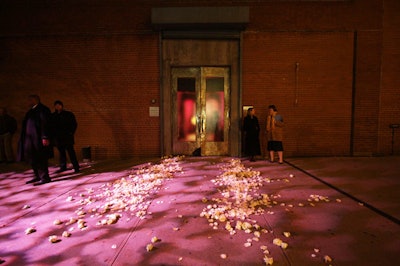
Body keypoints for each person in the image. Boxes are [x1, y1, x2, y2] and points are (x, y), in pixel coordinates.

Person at [17, 95, 52, 185]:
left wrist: (45, 137)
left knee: (41, 158)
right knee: (33, 158)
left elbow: (46, 124)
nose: (27, 102)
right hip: (30, 140)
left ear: (35, 100)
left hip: (38, 139)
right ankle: (37, 176)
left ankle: (44, 177)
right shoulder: (31, 111)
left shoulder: (43, 110)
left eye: (29, 100)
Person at [51, 100, 79, 173]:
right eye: (56, 105)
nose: (58, 107)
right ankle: (63, 166)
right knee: (62, 153)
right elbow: (52, 127)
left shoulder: (68, 114)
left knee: (71, 152)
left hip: (67, 137)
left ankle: (76, 167)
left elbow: (74, 124)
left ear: (62, 106)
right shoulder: (53, 116)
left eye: (59, 105)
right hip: (58, 138)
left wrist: (71, 133)